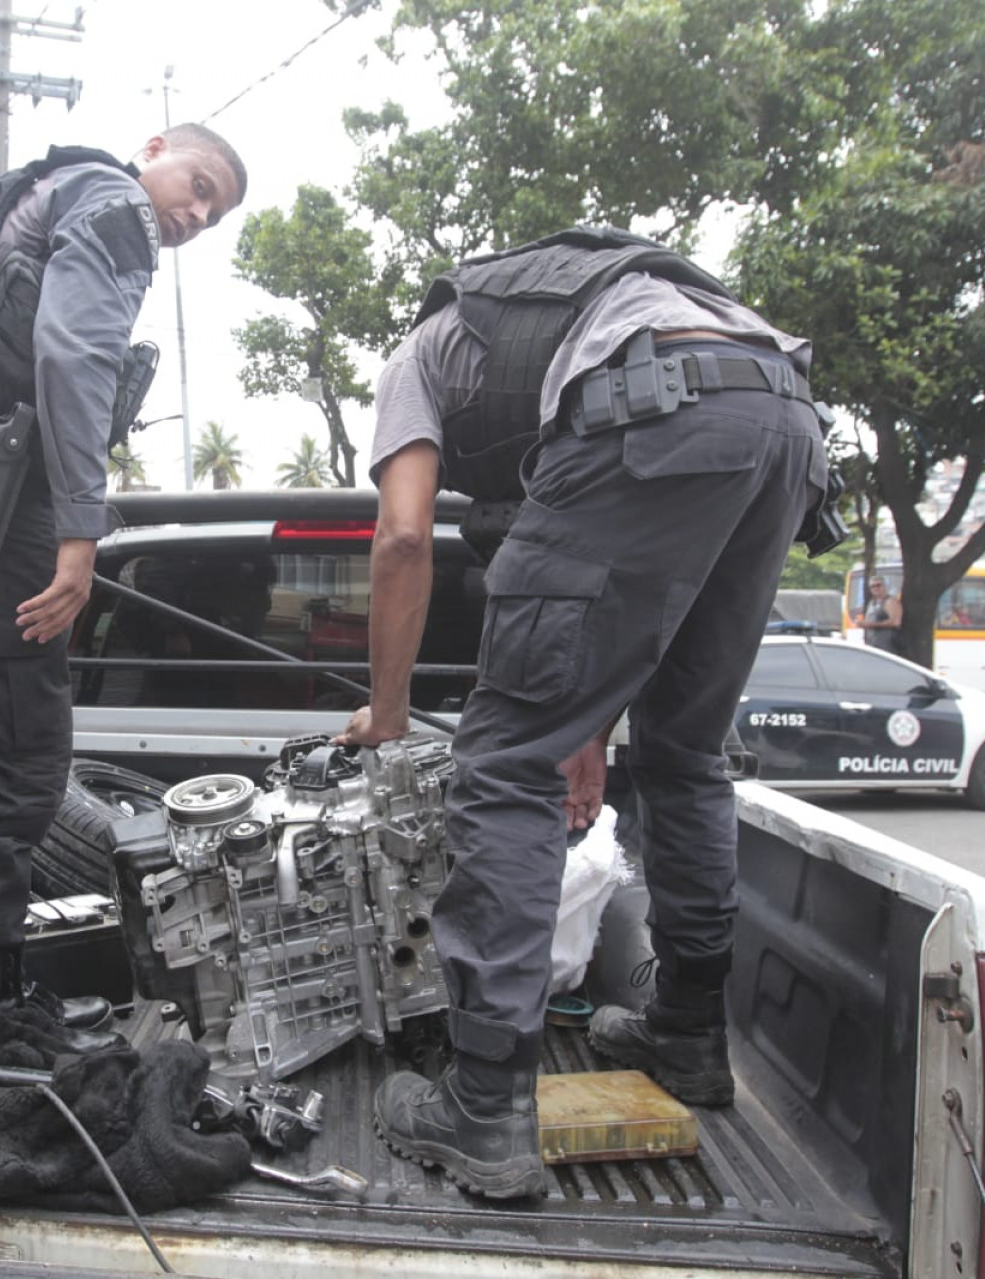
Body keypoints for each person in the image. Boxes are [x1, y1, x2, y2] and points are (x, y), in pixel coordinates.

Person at [337, 228, 827, 1200]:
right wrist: (588, 728)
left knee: (505, 762)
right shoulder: (570, 319)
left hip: (659, 405)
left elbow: (401, 536)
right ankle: (687, 1035)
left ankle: (483, 1105)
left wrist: (388, 711)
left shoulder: (415, 357)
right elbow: (617, 597)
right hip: (783, 414)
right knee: (687, 751)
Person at [0, 125, 245, 1037]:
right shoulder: (116, 208)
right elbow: (73, 356)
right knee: (20, 765)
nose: (193, 214)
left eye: (211, 211)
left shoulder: (54, 193)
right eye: (197, 185)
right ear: (153, 150)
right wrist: (80, 535)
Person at [859, 578, 902, 653]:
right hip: (873, 646)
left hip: (888, 648)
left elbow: (895, 622)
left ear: (884, 586)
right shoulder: (872, 603)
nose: (875, 588)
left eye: (878, 585)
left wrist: (871, 625)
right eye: (872, 586)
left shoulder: (890, 601)